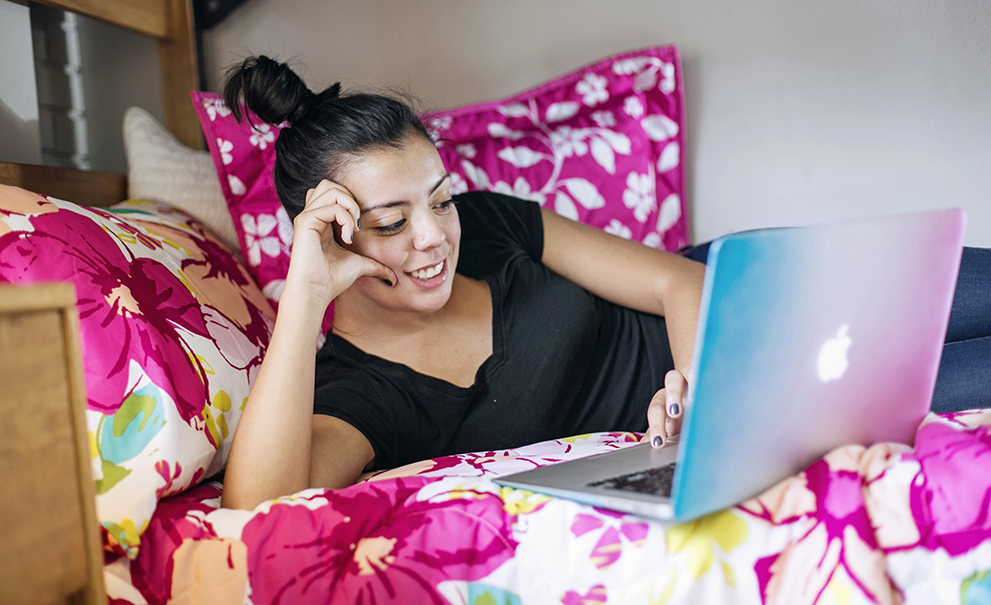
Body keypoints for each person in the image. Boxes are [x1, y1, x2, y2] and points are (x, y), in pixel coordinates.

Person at [220, 56, 991, 511]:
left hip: (746, 292)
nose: (434, 239)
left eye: (439, 199)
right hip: (772, 396)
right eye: (392, 221)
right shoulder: (361, 393)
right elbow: (253, 507)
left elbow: (677, 283)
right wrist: (306, 291)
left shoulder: (487, 224)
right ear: (331, 235)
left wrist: (694, 395)